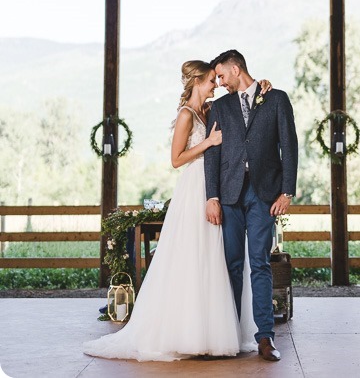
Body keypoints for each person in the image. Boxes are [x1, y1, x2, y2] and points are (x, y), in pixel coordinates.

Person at [83, 60, 270, 362]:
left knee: (213, 260)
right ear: (197, 82)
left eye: (218, 79)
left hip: (215, 188)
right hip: (194, 189)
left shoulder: (211, 111)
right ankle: (183, 331)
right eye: (211, 80)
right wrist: (208, 142)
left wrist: (263, 85)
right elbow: (176, 158)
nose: (216, 85)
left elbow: (243, 103)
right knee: (189, 257)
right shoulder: (186, 115)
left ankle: (210, 332)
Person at [205, 49, 298, 362]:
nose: (219, 82)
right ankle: (229, 334)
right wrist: (212, 196)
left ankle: (265, 337)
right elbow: (212, 155)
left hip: (264, 195)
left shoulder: (276, 99)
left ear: (235, 68)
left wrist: (287, 192)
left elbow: (290, 146)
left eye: (221, 75)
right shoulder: (219, 106)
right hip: (229, 196)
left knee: (259, 264)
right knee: (231, 265)